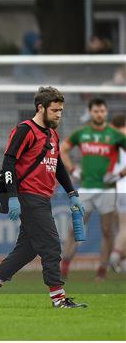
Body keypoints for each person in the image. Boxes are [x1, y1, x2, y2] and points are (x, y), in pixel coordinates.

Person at [0, 86, 87, 309]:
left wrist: (71, 193)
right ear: (41, 108)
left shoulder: (52, 134)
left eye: (61, 110)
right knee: (51, 245)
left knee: (28, 249)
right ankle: (59, 298)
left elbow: (58, 167)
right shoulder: (25, 130)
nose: (59, 115)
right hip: (28, 196)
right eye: (55, 110)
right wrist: (14, 197)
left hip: (43, 197)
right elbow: (8, 162)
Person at [60, 98, 126, 281]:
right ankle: (64, 267)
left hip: (107, 189)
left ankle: (101, 271)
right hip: (86, 188)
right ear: (91, 113)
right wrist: (73, 170)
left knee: (107, 230)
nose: (100, 114)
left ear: (106, 113)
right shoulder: (82, 133)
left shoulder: (115, 135)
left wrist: (120, 174)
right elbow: (62, 149)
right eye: (96, 111)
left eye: (102, 111)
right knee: (76, 228)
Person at [107, 115, 126, 272]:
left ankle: (123, 261)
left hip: (116, 187)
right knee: (124, 227)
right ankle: (115, 256)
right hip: (123, 184)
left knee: (120, 226)